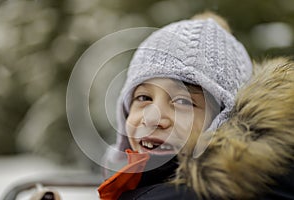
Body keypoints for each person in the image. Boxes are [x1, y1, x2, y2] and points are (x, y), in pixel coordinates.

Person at [98, 11, 294, 199]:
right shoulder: (149, 185)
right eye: (143, 98)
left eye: (183, 101)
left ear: (225, 119)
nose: (152, 118)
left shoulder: (187, 195)